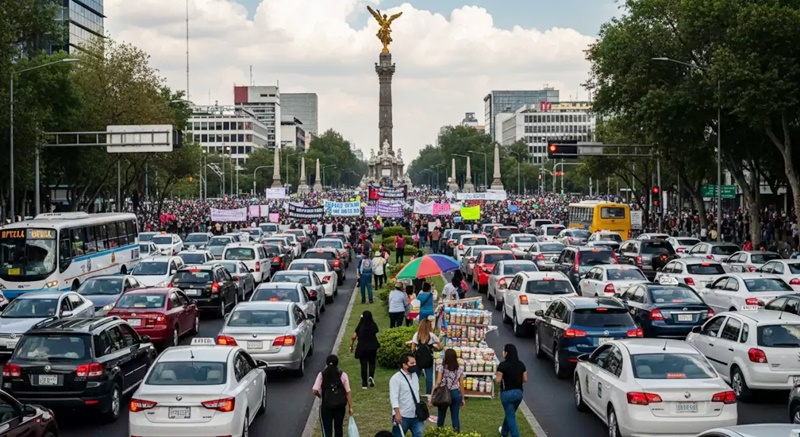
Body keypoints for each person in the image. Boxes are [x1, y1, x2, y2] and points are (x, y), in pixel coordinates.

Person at [313, 355, 353, 437]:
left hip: (326, 406)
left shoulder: (322, 375)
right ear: (337, 363)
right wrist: (350, 407)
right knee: (338, 428)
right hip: (340, 406)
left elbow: (315, 390)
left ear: (327, 363)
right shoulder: (343, 375)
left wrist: (321, 396)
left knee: (327, 430)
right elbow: (348, 392)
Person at [389, 355, 425, 437]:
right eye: (412, 363)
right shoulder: (395, 379)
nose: (415, 365)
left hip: (416, 415)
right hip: (403, 416)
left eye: (415, 362)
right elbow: (394, 398)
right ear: (404, 365)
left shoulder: (415, 375)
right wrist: (397, 414)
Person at [496, 344, 527, 437]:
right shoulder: (521, 364)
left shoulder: (502, 365)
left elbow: (498, 380)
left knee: (511, 417)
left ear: (506, 353)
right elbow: (525, 379)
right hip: (518, 393)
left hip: (507, 394)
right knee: (510, 413)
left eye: (503, 351)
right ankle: (504, 432)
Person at [432, 348, 465, 431]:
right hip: (455, 393)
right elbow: (461, 385)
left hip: (443, 392)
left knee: (441, 415)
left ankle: (439, 432)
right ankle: (456, 433)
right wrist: (463, 398)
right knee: (455, 417)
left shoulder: (441, 368)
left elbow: (438, 382)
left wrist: (432, 393)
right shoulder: (459, 369)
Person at [410, 317, 441, 396]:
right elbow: (440, 346)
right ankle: (429, 393)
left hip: (418, 359)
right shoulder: (432, 335)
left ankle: (415, 392)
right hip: (428, 359)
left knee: (415, 376)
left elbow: (413, 348)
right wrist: (434, 346)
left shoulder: (416, 335)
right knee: (429, 377)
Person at [350, 310, 380, 389]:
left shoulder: (360, 326)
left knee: (363, 365)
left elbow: (353, 337)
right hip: (372, 347)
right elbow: (376, 330)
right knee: (372, 363)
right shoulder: (373, 324)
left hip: (362, 348)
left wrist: (351, 346)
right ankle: (371, 377)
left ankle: (364, 383)